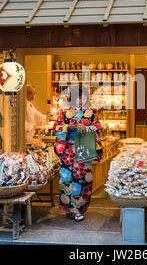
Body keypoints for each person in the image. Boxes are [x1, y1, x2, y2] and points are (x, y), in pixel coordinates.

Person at [52, 85, 102, 222]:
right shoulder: (64, 113)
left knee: (82, 180)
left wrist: (87, 128)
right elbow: (56, 127)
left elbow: (98, 129)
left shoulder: (91, 113)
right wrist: (68, 127)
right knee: (66, 179)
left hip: (84, 149)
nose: (81, 100)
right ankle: (68, 207)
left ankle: (79, 209)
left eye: (83, 97)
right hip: (68, 150)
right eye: (78, 97)